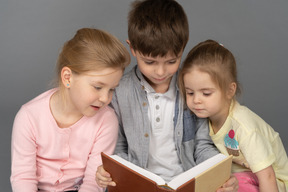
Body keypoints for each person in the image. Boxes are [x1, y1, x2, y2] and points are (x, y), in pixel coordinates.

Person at [96, 0, 238, 191]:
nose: (161, 71)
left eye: (171, 61)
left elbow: (202, 145)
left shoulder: (191, 89)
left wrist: (220, 173)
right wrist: (107, 171)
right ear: (133, 49)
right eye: (150, 62)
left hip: (186, 181)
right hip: (140, 185)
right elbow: (119, 147)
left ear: (183, 47)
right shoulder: (120, 91)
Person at [10, 28, 130, 192]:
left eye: (111, 89)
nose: (105, 98)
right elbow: (23, 178)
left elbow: (92, 183)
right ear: (68, 77)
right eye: (97, 87)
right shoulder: (29, 116)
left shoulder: (107, 120)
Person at [178, 39, 288, 192]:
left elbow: (267, 176)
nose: (196, 100)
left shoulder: (243, 127)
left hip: (275, 181)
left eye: (206, 93)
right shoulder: (206, 118)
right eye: (190, 92)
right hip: (242, 176)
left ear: (230, 91)